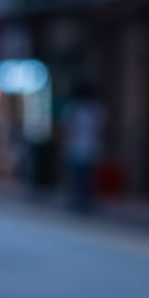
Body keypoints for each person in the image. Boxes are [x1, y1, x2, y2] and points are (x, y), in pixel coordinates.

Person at [62, 83, 105, 211]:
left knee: (79, 176)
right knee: (85, 176)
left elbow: (66, 128)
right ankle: (83, 201)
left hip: (77, 147)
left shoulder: (74, 109)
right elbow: (101, 129)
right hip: (89, 147)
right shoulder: (95, 109)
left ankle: (79, 200)